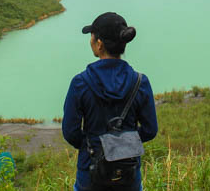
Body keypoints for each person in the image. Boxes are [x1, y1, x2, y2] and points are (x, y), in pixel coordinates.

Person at [62, 12, 158, 191]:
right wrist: (125, 142)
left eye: (92, 37)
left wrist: (93, 144)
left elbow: (70, 132)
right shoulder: (140, 82)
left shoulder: (80, 83)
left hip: (90, 173)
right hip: (128, 174)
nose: (90, 41)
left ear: (99, 44)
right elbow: (150, 130)